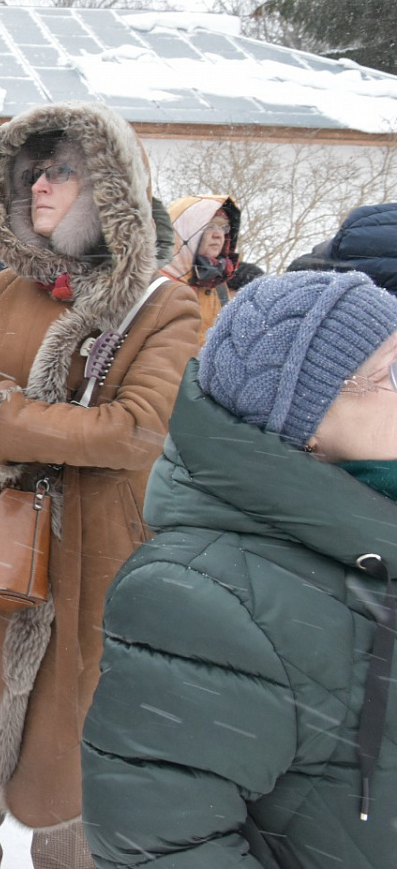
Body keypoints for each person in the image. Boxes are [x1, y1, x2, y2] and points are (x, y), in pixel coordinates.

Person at [0, 102, 200, 868]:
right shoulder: (5, 290)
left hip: (93, 577)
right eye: (32, 170)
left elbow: (138, 428)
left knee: (71, 794)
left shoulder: (164, 306)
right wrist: (12, 419)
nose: (39, 184)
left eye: (61, 169)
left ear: (109, 188)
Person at [85, 271, 397, 867]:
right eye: (393, 372)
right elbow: (155, 847)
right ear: (304, 422)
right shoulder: (195, 599)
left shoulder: (374, 523)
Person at [161, 193, 241, 343]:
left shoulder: (219, 287)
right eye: (210, 226)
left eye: (224, 227)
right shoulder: (156, 283)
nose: (219, 235)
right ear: (185, 231)